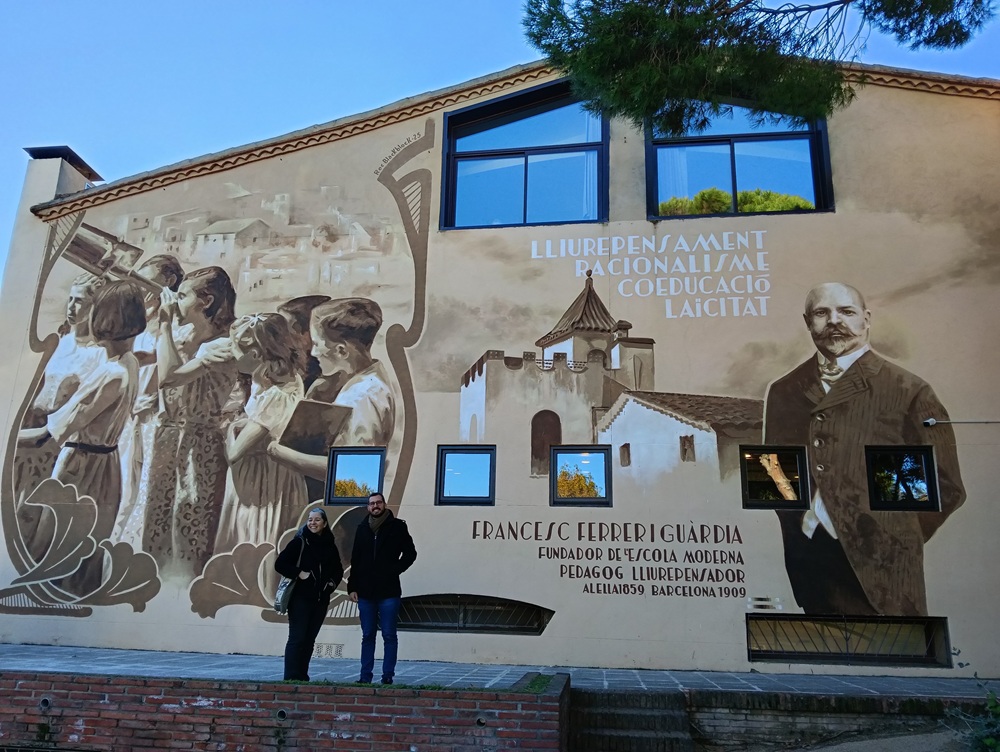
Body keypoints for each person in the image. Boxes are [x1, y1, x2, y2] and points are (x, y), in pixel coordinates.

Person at [763, 282, 965, 616]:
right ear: (807, 322)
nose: (833, 321)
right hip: (813, 564)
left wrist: (895, 539)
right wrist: (804, 522)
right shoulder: (784, 390)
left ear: (866, 319)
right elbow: (773, 474)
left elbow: (946, 486)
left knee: (895, 656)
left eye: (846, 311)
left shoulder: (908, 390)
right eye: (821, 313)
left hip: (885, 572)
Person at [19, 280, 146, 595]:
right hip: (106, 466)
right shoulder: (128, 363)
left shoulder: (109, 374)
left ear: (103, 320)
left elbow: (46, 437)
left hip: (80, 468)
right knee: (86, 550)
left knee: (57, 549)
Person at [137, 266, 238, 581]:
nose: (175, 301)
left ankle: (182, 592)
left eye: (182, 295)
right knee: (155, 520)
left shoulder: (221, 345)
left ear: (206, 300)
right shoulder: (182, 335)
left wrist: (165, 324)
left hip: (199, 444)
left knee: (189, 521)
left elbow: (169, 377)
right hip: (168, 436)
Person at [215, 313, 308, 561]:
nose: (232, 356)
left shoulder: (273, 395)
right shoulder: (286, 379)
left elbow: (235, 453)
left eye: (235, 349)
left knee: (253, 537)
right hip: (277, 475)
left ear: (255, 356)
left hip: (261, 480)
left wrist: (228, 428)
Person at [348, 492, 417, 685]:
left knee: (389, 634)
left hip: (389, 591)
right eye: (371, 504)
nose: (375, 506)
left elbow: (411, 554)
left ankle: (387, 676)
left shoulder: (398, 527)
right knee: (368, 634)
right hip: (365, 592)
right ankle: (365, 676)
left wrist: (394, 570)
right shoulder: (362, 528)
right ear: (368, 507)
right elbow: (355, 559)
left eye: (378, 502)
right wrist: (352, 587)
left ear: (385, 504)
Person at [274, 508, 343, 681]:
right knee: (297, 638)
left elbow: (338, 570)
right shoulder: (299, 542)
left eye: (317, 520)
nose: (313, 523)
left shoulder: (330, 545)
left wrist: (331, 585)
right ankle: (291, 677)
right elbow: (280, 564)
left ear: (324, 523)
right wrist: (299, 573)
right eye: (310, 519)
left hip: (320, 600)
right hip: (300, 599)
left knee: (309, 640)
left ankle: (302, 676)